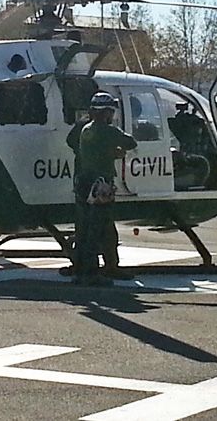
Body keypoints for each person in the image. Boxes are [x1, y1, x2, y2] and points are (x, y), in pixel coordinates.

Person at [68, 91, 137, 286]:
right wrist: (113, 150)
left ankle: (84, 270)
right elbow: (131, 142)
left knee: (85, 228)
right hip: (100, 185)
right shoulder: (108, 130)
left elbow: (79, 146)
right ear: (107, 112)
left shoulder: (84, 128)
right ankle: (91, 273)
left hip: (83, 182)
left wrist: (107, 152)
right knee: (97, 229)